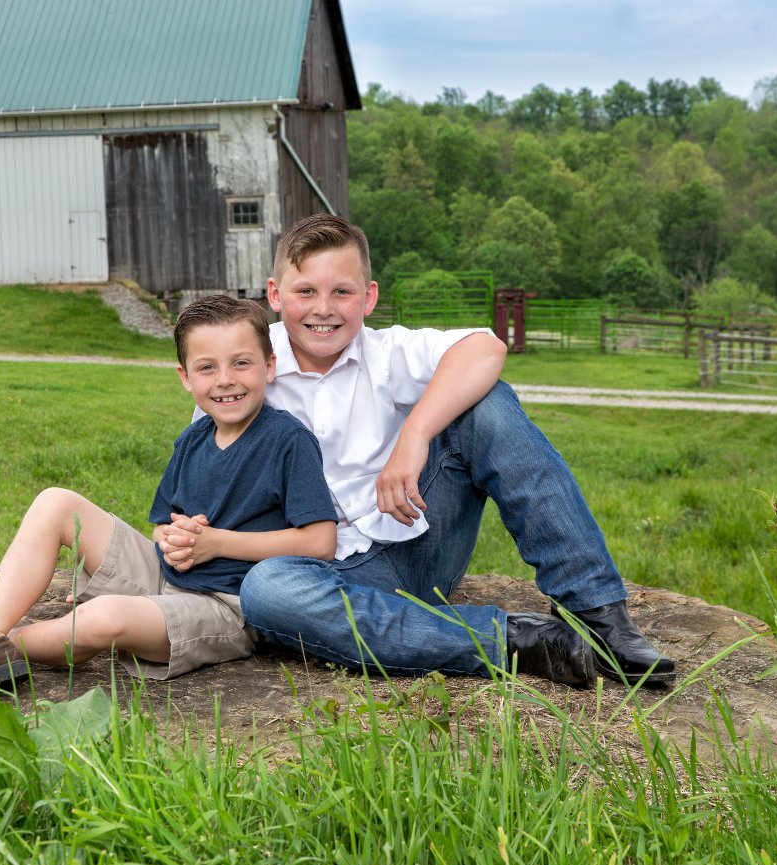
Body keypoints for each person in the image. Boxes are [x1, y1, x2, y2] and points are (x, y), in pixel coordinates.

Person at [171, 214, 675, 687]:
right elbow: (211, 487)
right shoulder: (242, 370)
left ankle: (595, 609)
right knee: (267, 591)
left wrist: (414, 435)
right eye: (306, 291)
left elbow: (486, 348)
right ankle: (518, 641)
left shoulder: (386, 352)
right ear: (275, 295)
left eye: (342, 292)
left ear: (368, 297)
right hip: (317, 572)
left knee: (486, 404)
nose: (323, 309)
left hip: (418, 541)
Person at [0, 295, 340, 685]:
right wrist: (175, 539)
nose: (226, 379)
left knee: (103, 618)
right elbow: (161, 526)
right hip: (166, 575)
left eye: (242, 363)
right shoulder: (193, 439)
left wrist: (216, 543)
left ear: (269, 366)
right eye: (207, 367)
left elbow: (320, 542)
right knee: (56, 503)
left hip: (228, 607)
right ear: (185, 377)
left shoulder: (288, 441)